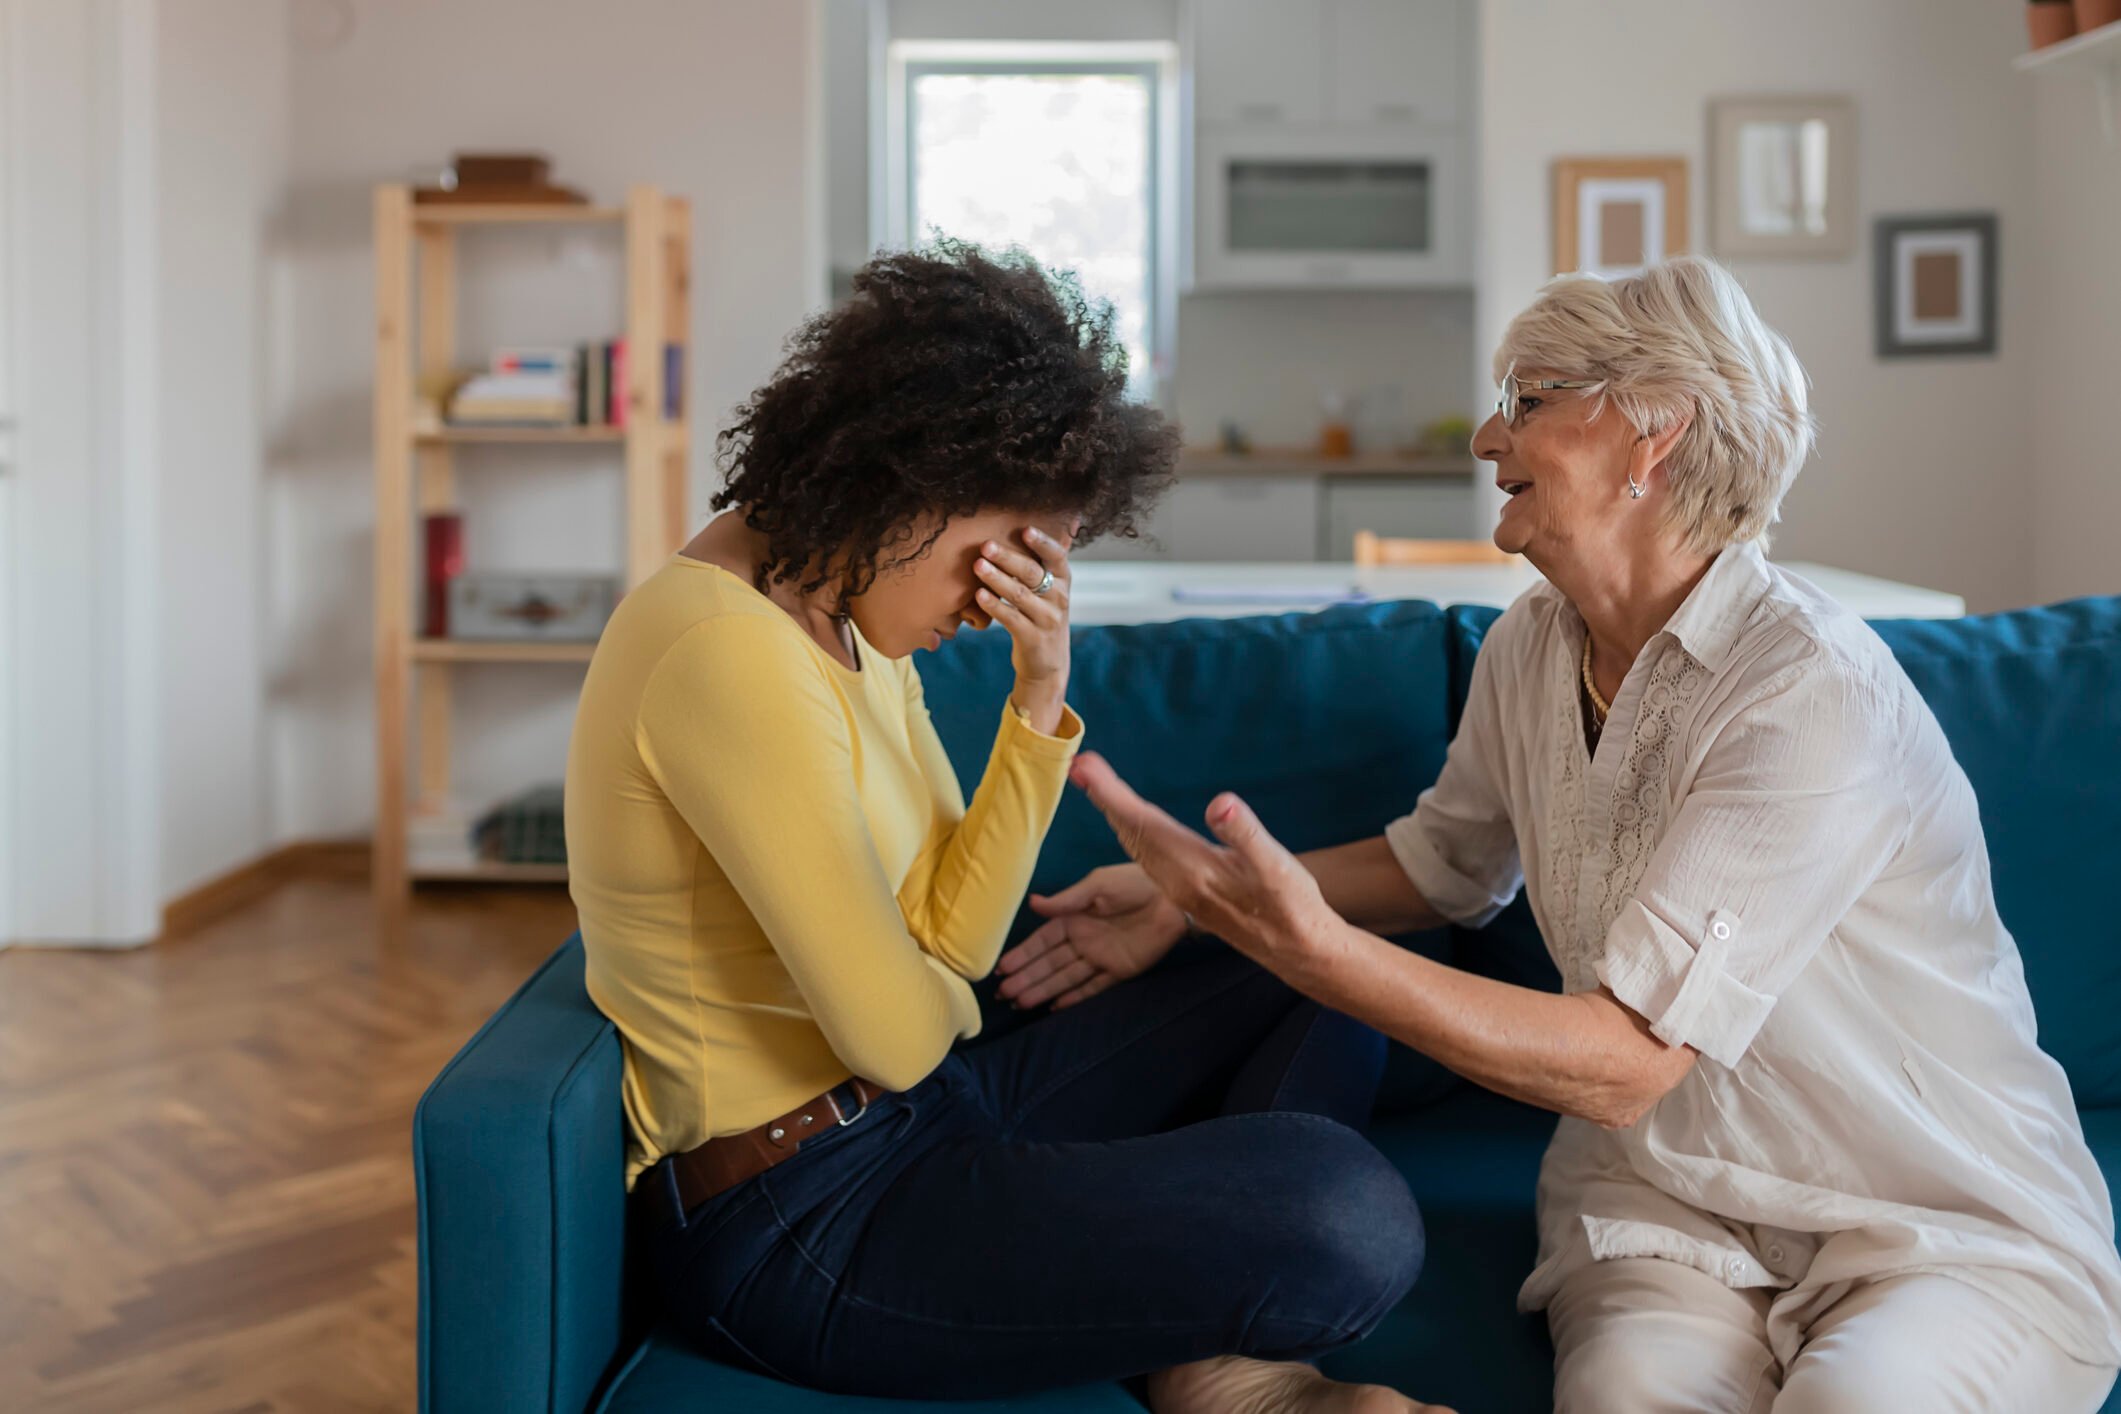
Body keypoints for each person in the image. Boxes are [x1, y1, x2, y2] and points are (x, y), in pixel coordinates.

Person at [1014, 255, 2121, 1412]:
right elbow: (1444, 867)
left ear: (1654, 438)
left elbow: (1627, 1061)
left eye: (1527, 402)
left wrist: (1311, 951)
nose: (1490, 440)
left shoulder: (1807, 689)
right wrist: (1193, 894)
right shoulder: (1531, 647)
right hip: (1664, 1208)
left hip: (1925, 1216)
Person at [564, 242, 1444, 1413]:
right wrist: (924, 992)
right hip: (799, 1217)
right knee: (1347, 1216)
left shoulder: (842, 613)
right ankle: (1209, 1334)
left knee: (1318, 965)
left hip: (922, 1119)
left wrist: (1038, 699)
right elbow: (893, 1034)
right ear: (913, 479)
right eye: (1002, 555)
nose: (996, 599)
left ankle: (1212, 1351)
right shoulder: (724, 652)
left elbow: (957, 947)